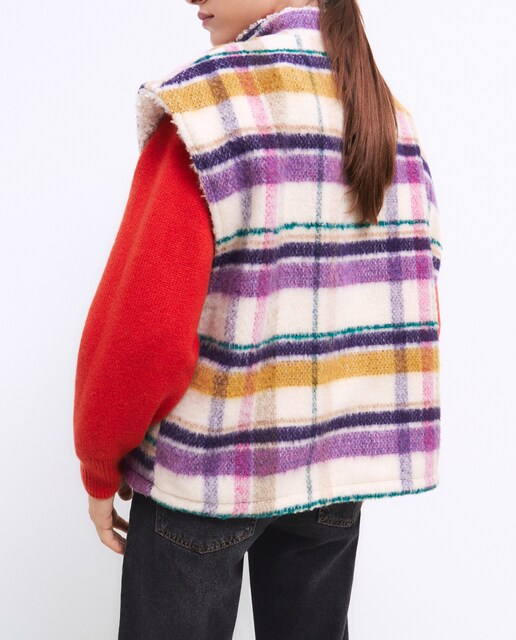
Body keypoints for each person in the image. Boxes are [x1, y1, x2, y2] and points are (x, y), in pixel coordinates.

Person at [73, 1, 443, 638]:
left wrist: (100, 457)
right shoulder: (387, 116)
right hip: (332, 474)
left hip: (202, 478)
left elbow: (146, 327)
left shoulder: (206, 110)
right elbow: (416, 280)